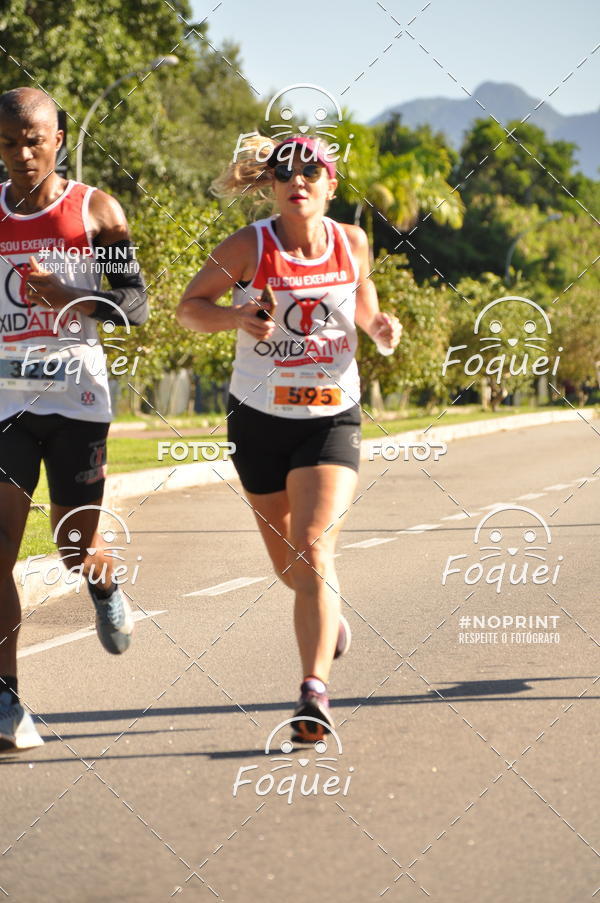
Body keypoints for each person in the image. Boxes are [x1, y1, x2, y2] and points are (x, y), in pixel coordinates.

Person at [177, 134, 401, 742]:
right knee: (291, 567)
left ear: (331, 184)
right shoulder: (249, 246)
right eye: (285, 173)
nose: (297, 181)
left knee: (312, 548)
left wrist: (379, 327)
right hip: (258, 418)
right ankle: (328, 620)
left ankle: (313, 694)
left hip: (331, 415)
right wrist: (234, 317)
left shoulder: (352, 242)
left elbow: (363, 307)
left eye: (310, 171)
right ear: (272, 187)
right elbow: (189, 308)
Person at [0, 87, 148, 751]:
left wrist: (70, 295)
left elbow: (134, 306)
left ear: (58, 139)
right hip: (7, 401)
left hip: (76, 401)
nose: (22, 154)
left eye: (34, 141)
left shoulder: (96, 211)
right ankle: (6, 698)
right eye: (8, 143)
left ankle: (103, 582)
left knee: (72, 546)